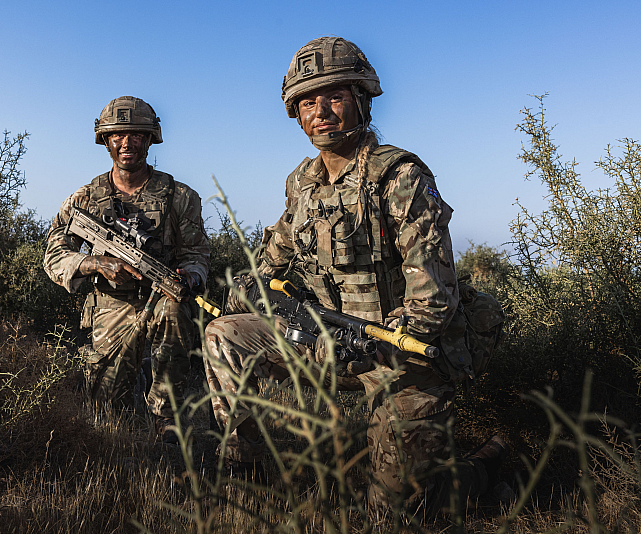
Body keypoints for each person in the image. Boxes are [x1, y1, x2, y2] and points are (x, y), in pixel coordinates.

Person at [202, 37, 507, 517]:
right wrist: (237, 294)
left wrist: (368, 345)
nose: (320, 110)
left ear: (361, 99)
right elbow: (273, 259)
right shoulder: (301, 183)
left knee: (402, 514)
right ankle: (251, 469)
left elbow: (432, 301)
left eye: (335, 96)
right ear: (295, 114)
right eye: (307, 101)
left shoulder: (398, 176)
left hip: (397, 355)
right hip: (324, 339)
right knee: (223, 334)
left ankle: (485, 465)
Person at [44, 96, 210, 443]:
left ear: (150, 139)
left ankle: (166, 422)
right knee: (104, 411)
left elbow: (197, 255)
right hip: (111, 305)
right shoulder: (85, 198)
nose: (127, 143)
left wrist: (190, 275)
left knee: (175, 307)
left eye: (136, 135)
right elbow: (55, 254)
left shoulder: (179, 196)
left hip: (161, 297)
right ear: (105, 140)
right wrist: (96, 264)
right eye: (118, 135)